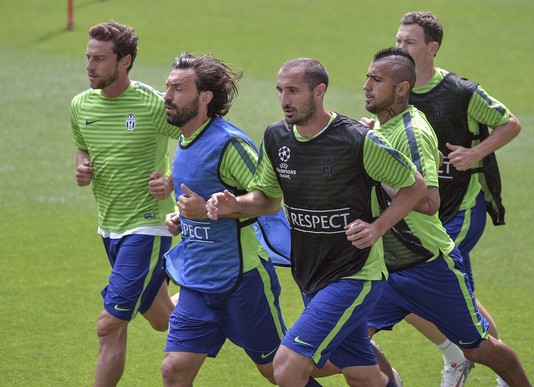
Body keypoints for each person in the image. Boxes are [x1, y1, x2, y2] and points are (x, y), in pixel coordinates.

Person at [206, 57, 428, 387]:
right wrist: (234, 204)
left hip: (355, 274)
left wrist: (378, 227)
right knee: (363, 375)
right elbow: (268, 199)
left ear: (319, 91)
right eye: (280, 91)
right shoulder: (276, 138)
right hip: (310, 275)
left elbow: (416, 187)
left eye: (294, 91)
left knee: (286, 367)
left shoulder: (357, 140)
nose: (284, 100)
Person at [362, 47, 530, 386]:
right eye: (367, 77)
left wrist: (379, 176)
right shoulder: (386, 128)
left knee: (479, 348)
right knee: (346, 340)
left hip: (428, 267)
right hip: (387, 268)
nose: (366, 85)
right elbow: (427, 157)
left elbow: (428, 202)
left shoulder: (411, 133)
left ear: (401, 89)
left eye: (376, 80)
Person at [159, 52, 299, 386]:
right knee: (173, 370)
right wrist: (182, 217)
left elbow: (269, 201)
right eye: (168, 87)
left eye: (178, 89)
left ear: (204, 98)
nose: (167, 96)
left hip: (242, 280)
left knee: (279, 371)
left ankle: (364, 366)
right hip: (196, 281)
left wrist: (221, 206)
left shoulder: (229, 144)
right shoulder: (183, 140)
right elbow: (199, 202)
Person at [70, 21, 180, 386]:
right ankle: (212, 301)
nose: (89, 65)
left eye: (99, 59)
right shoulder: (80, 105)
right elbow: (83, 143)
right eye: (88, 57)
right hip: (109, 226)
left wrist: (172, 181)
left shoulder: (153, 105)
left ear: (125, 61)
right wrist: (82, 165)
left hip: (147, 227)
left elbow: (200, 139)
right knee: (162, 319)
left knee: (109, 325)